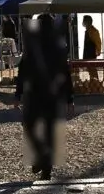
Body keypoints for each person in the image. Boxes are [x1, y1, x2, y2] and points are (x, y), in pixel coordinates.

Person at [14, 14, 75, 180]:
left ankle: (42, 158)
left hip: (35, 92)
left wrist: (18, 93)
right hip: (53, 95)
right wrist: (69, 98)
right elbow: (66, 74)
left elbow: (23, 71)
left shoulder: (33, 45)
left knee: (30, 126)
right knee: (49, 131)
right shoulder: (59, 46)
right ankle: (46, 168)